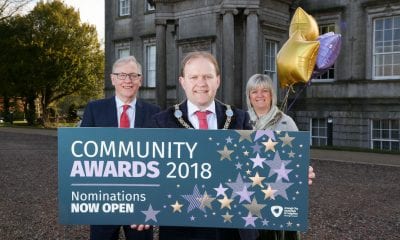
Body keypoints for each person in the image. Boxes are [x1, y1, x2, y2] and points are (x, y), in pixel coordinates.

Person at [151, 51, 257, 240]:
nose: (201, 83)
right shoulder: (162, 122)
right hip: (182, 227)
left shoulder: (239, 118)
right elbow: (150, 174)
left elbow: (255, 166)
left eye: (208, 76)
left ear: (218, 80)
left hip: (231, 227)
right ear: (183, 82)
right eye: (194, 77)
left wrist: (294, 173)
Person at [81, 55, 160, 240]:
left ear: (140, 80)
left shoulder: (155, 113)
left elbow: (160, 160)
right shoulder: (94, 109)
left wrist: (153, 202)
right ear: (113, 79)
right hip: (104, 199)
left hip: (141, 201)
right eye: (122, 75)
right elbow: (83, 155)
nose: (128, 80)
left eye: (133, 75)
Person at [245, 73, 315, 240]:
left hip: (279, 195)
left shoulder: (286, 122)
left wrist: (305, 170)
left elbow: (300, 158)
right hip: (248, 196)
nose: (260, 95)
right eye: (254, 91)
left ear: (271, 95)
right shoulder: (241, 120)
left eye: (265, 91)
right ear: (249, 96)